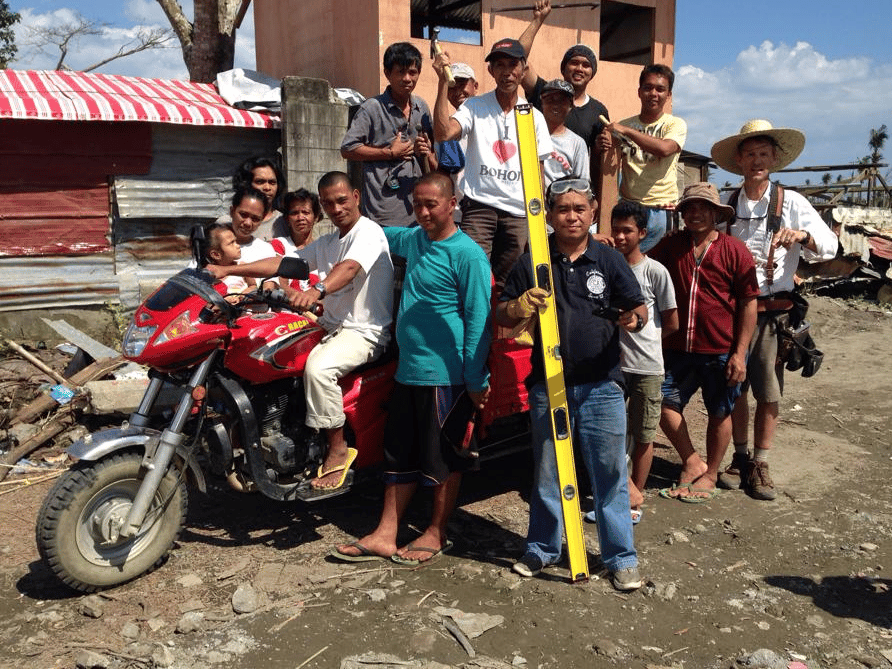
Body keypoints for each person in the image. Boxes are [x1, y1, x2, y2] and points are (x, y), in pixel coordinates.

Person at [497, 177, 648, 592]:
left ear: (593, 211)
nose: (571, 215)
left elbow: (638, 309)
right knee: (548, 471)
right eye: (563, 208)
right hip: (549, 383)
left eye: (579, 208)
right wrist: (519, 304)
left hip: (602, 386)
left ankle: (620, 556)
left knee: (609, 473)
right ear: (548, 214)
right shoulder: (534, 259)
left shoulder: (608, 259)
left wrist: (633, 319)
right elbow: (504, 316)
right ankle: (543, 547)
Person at [332, 172, 492, 564]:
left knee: (442, 458)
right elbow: (377, 234)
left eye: (430, 205)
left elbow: (479, 319)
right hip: (408, 372)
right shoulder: (415, 239)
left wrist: (475, 380)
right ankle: (386, 533)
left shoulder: (468, 254)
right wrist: (346, 213)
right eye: (416, 204)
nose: (421, 212)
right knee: (398, 456)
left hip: (448, 376)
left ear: (451, 204)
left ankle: (436, 532)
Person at [206, 171, 395, 497]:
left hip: (365, 331)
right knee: (266, 347)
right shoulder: (327, 242)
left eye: (341, 200)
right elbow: (280, 263)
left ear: (356, 197)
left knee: (319, 369)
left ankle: (337, 448)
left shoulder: (369, 233)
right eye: (328, 203)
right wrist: (229, 270)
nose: (336, 208)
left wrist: (318, 290)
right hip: (329, 325)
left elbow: (347, 269)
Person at [710, 120, 839, 500]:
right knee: (734, 386)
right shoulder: (727, 203)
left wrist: (802, 236)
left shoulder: (793, 202)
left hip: (772, 311)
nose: (757, 160)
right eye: (750, 154)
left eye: (763, 154)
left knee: (768, 391)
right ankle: (740, 456)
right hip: (732, 311)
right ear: (739, 160)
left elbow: (830, 245)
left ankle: (761, 462)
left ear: (774, 159)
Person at [648, 182, 758, 503]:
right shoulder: (671, 246)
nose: (695, 213)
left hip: (720, 349)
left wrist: (740, 353)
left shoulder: (733, 249)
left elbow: (749, 302)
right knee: (661, 401)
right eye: (689, 208)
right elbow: (641, 265)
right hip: (677, 348)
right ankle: (692, 461)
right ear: (682, 214)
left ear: (715, 214)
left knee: (720, 411)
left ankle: (711, 474)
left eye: (702, 208)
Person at [432, 37, 552, 287]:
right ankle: (475, 327)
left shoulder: (534, 116)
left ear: (523, 69)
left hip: (518, 213)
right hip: (479, 208)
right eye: (499, 65)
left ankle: (499, 328)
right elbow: (444, 134)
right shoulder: (475, 106)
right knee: (471, 279)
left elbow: (538, 172)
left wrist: (538, 218)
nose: (507, 72)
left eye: (512, 64)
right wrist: (443, 83)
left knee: (510, 285)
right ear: (490, 71)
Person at [610, 200, 678, 515]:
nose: (621, 237)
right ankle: (617, 491)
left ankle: (636, 496)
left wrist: (647, 342)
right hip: (612, 366)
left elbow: (671, 321)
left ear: (642, 233)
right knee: (612, 433)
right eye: (616, 230)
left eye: (628, 231)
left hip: (647, 367)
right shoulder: (607, 267)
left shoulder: (655, 272)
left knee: (643, 434)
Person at [341, 42, 436, 226]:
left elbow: (431, 153)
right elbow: (347, 149)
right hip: (382, 214)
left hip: (416, 210)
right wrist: (389, 153)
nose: (407, 78)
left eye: (412, 72)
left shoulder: (422, 108)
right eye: (400, 72)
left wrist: (421, 150)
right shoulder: (371, 108)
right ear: (387, 74)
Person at [519, 0, 608, 190]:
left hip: (570, 197)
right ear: (563, 68)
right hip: (530, 191)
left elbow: (599, 160)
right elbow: (519, 61)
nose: (579, 68)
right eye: (574, 62)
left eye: (586, 65)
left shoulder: (598, 111)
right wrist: (537, 20)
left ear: (592, 73)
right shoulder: (543, 91)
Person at [600, 64, 686, 252]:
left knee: (660, 265)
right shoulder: (623, 126)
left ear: (669, 95)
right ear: (639, 92)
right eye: (648, 88)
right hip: (630, 209)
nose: (653, 93)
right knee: (627, 266)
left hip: (662, 210)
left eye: (660, 89)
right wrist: (603, 144)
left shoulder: (675, 124)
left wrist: (628, 132)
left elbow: (664, 149)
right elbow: (609, 163)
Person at [219, 156, 289, 240]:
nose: (267, 187)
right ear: (246, 183)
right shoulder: (225, 224)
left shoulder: (285, 223)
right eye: (260, 182)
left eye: (272, 182)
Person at [539, 79, 589, 186]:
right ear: (542, 103)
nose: (555, 105)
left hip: (562, 199)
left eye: (562, 100)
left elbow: (582, 182)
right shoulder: (529, 134)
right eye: (550, 99)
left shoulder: (578, 143)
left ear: (571, 106)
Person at [270, 188, 322, 292]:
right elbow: (280, 282)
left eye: (306, 212)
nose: (300, 217)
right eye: (294, 213)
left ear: (315, 217)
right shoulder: (279, 245)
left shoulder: (323, 248)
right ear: (287, 219)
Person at [435, 62, 479, 178]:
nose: (457, 92)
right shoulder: (447, 128)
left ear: (475, 86)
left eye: (462, 85)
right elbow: (448, 169)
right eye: (451, 87)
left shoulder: (486, 118)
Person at [202, 222, 257, 302]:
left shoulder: (242, 267)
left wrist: (245, 294)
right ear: (216, 254)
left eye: (236, 241)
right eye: (231, 243)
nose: (238, 246)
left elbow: (253, 285)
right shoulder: (209, 275)